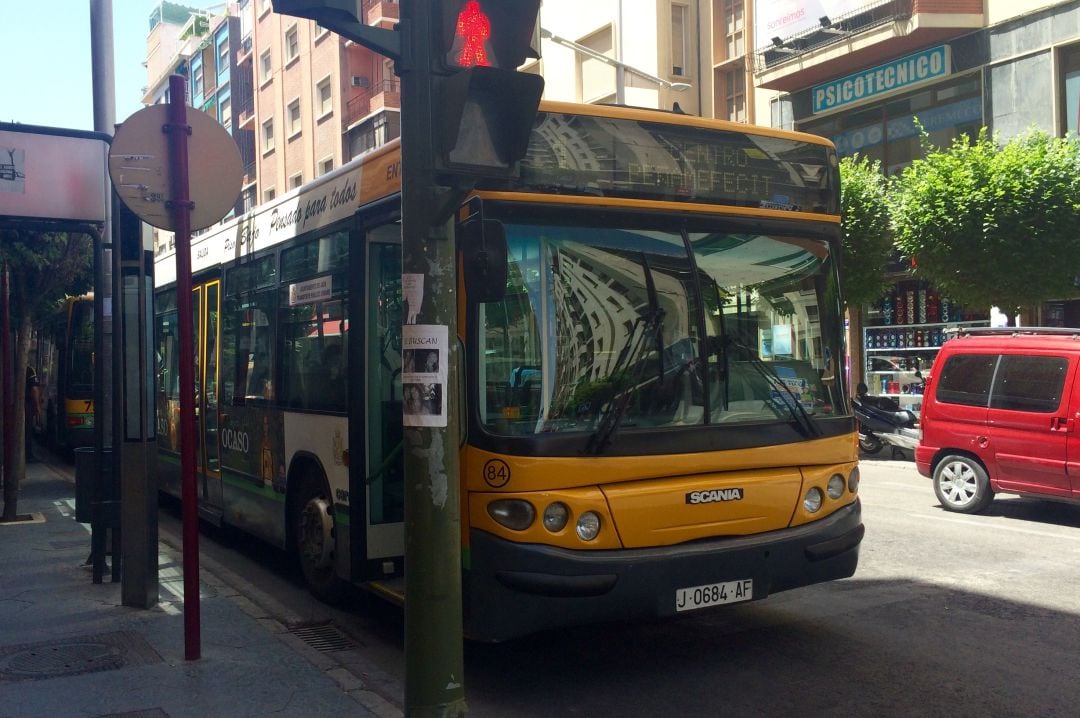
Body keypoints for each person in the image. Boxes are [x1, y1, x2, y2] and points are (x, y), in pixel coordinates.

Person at [25, 365, 41, 462]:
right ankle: (28, 455)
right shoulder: (30, 370)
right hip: (27, 406)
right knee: (27, 430)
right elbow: (34, 390)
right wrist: (37, 406)